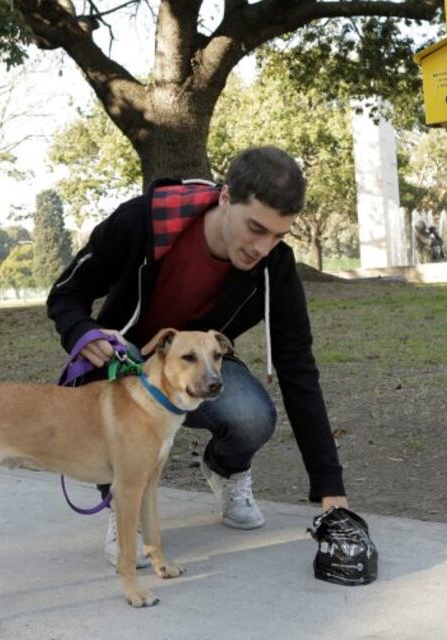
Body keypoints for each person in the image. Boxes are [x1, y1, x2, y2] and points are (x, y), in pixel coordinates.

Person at [47, 146, 347, 567]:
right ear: (225, 199)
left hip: (200, 367)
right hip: (126, 365)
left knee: (251, 415)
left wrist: (331, 493)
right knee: (119, 426)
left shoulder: (274, 265)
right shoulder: (142, 221)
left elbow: (298, 368)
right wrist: (81, 331)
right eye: (255, 228)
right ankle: (124, 504)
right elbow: (66, 293)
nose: (263, 247)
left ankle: (225, 469)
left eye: (278, 235)